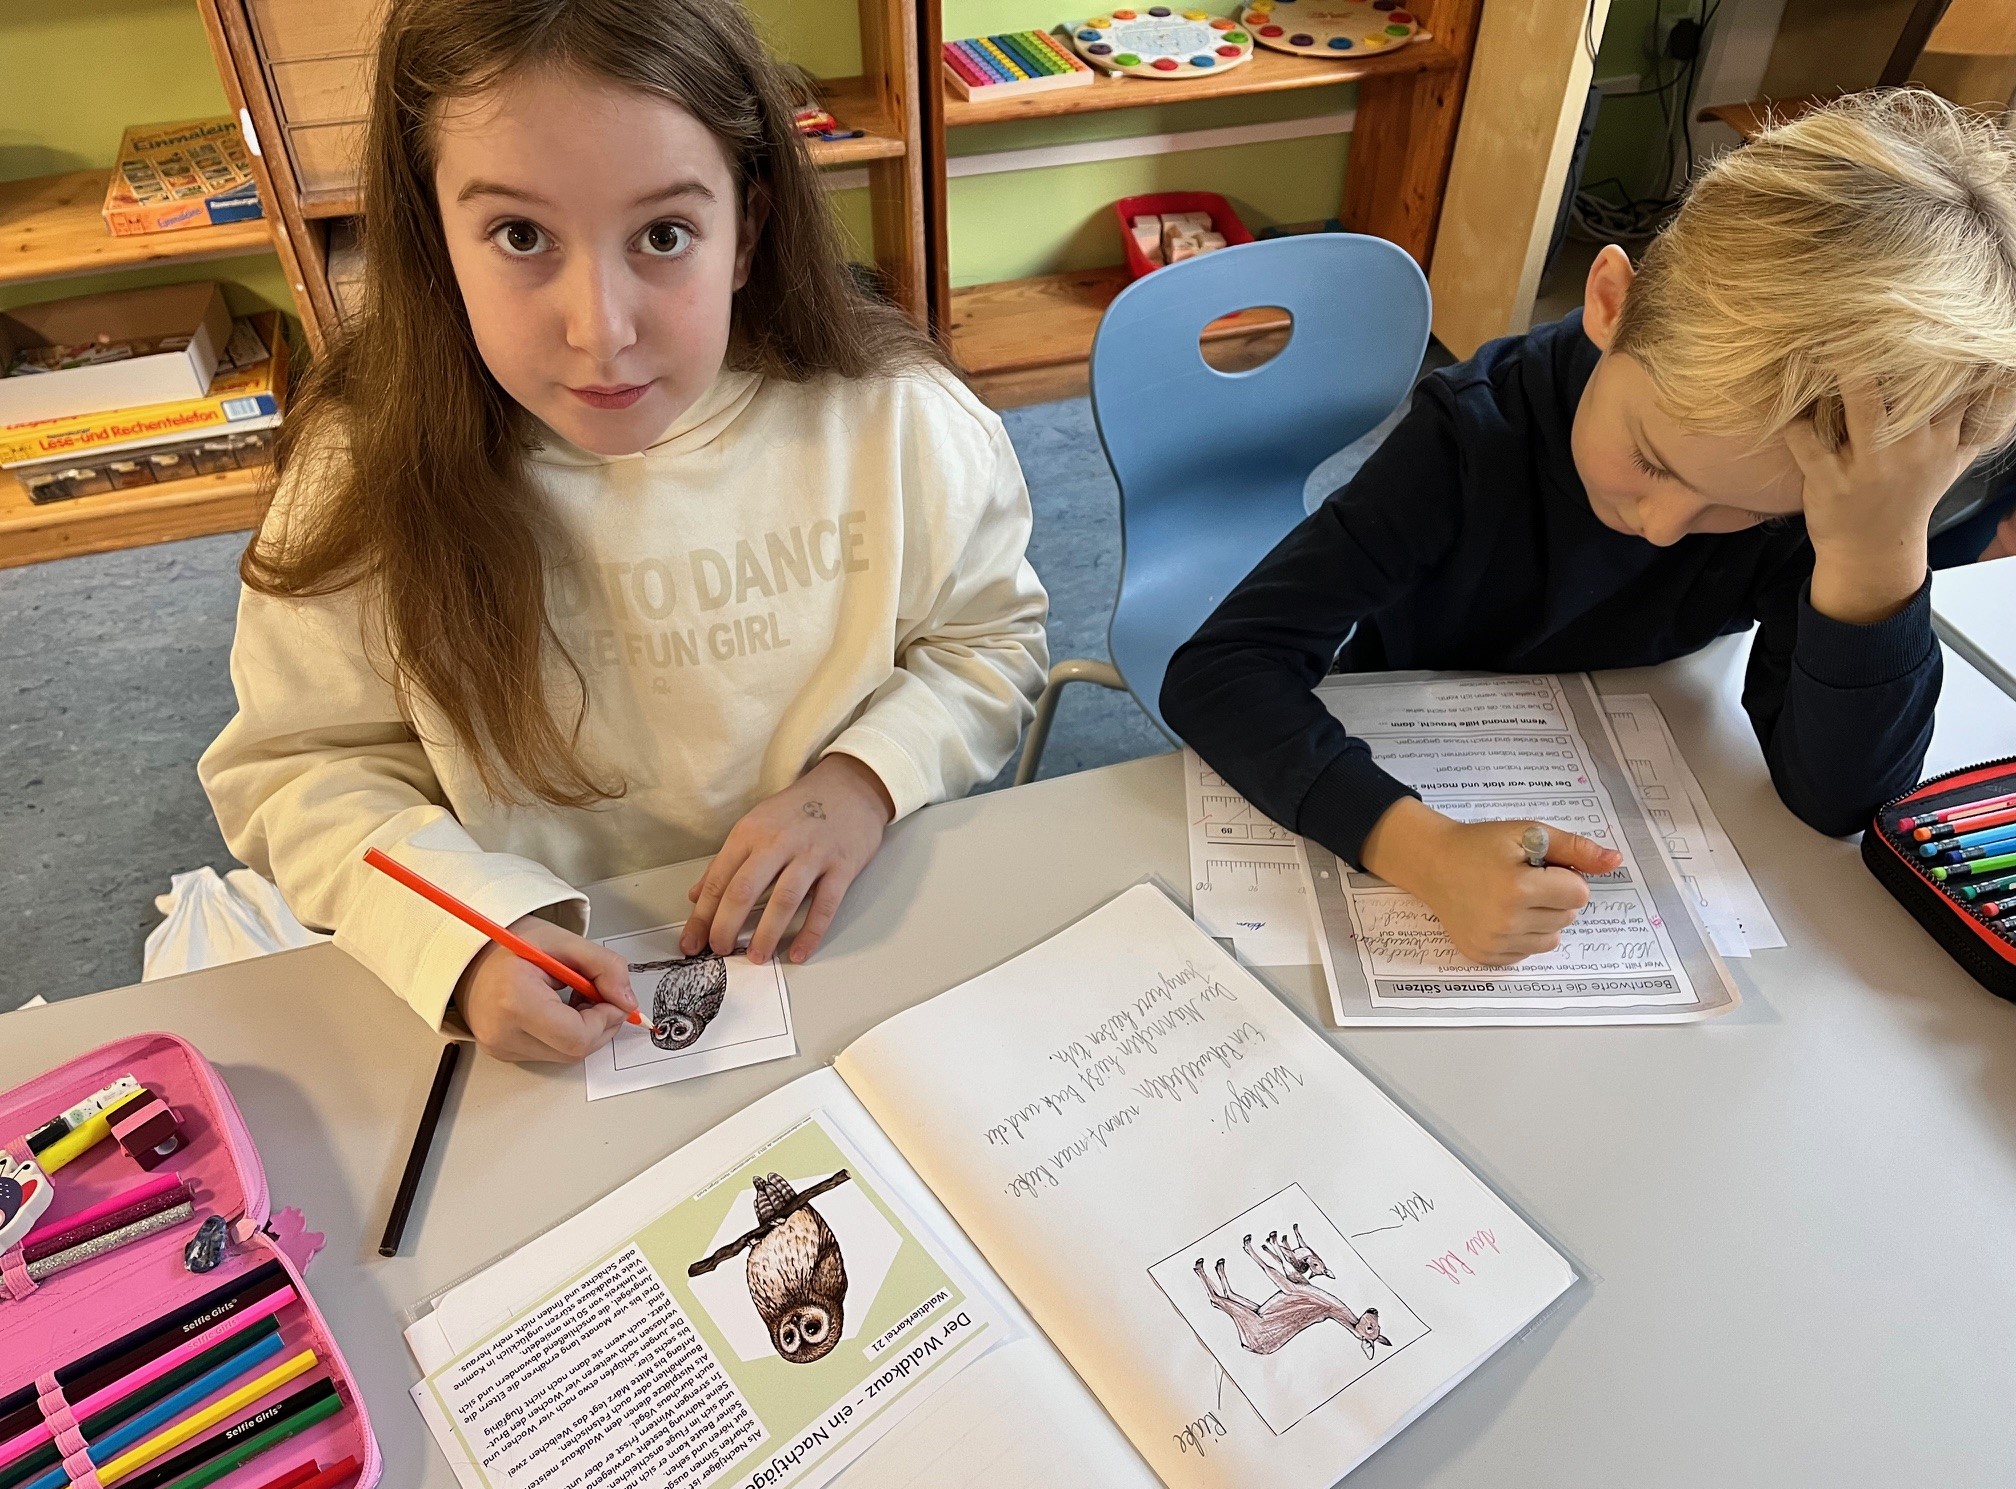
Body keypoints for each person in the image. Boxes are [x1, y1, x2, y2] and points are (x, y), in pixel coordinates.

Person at [200, 0, 1047, 1061]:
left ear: (748, 232)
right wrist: (466, 936)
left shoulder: (900, 425)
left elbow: (989, 643)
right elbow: (299, 770)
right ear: (433, 240)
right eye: (520, 236)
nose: (600, 330)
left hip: (848, 941)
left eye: (664, 236)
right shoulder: (361, 473)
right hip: (559, 991)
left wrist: (864, 782)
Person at [1163, 90, 2016, 967]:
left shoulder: (1827, 499)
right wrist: (1420, 850)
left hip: (1645, 749)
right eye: (1651, 459)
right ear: (1610, 301)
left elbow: (1841, 802)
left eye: (1751, 514)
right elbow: (1221, 670)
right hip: (1417, 726)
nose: (1664, 530)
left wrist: (1874, 557)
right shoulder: (1473, 435)